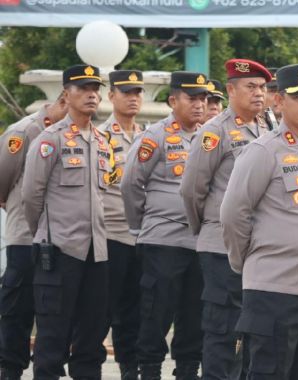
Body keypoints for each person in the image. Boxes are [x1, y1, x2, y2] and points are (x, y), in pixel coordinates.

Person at [220, 62, 298, 379]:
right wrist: (247, 263)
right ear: (279, 101)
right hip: (275, 291)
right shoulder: (263, 151)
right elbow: (234, 214)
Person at [180, 58, 271, 380]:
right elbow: (192, 189)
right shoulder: (214, 132)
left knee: (253, 328)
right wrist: (206, 228)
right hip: (220, 245)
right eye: (251, 87)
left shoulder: (269, 128)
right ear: (231, 90)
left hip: (258, 247)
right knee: (221, 328)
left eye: (262, 87)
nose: (259, 94)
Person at [22, 64, 113, 379]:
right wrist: (46, 235)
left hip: (97, 253)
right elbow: (31, 197)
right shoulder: (50, 139)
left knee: (91, 336)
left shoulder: (101, 141)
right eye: (82, 88)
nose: (91, 95)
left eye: (95, 89)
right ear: (66, 94)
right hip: (60, 251)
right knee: (52, 337)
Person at [121, 71, 208, 380]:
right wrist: (141, 225)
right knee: (157, 310)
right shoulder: (154, 136)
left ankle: (187, 369)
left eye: (203, 99)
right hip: (163, 241)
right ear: (173, 100)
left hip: (199, 240)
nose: (199, 105)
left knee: (194, 312)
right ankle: (150, 369)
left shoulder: (208, 136)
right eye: (191, 98)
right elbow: (131, 184)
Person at [0, 95, 67, 380]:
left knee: (54, 307)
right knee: (18, 306)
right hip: (25, 236)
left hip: (59, 237)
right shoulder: (24, 130)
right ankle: (10, 367)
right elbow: (2, 178)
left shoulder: (75, 131)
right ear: (65, 99)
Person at [97, 70, 145, 380]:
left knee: (134, 308)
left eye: (138, 92)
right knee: (102, 307)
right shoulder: (101, 135)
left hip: (140, 235)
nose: (133, 98)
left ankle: (129, 366)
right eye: (126, 92)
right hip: (111, 233)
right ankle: (89, 365)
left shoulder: (147, 135)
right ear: (112, 96)